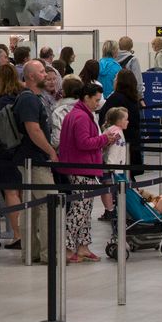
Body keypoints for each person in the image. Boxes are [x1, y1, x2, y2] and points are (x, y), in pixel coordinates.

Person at [57, 83, 118, 262]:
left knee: (85, 210)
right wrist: (104, 139)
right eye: (96, 100)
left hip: (84, 167)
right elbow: (84, 142)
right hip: (82, 168)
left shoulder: (77, 114)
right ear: (86, 98)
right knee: (78, 210)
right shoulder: (81, 117)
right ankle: (67, 249)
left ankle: (83, 246)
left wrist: (102, 141)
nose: (98, 104)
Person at [12, 59, 58, 264]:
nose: (45, 75)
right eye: (41, 71)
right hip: (34, 160)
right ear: (30, 76)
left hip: (32, 159)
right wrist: (50, 151)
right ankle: (50, 253)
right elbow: (33, 130)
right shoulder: (29, 100)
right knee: (50, 203)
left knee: (31, 207)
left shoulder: (35, 98)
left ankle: (31, 252)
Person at [0, 63, 24, 248]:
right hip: (20, 150)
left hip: (7, 150)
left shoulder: (3, 99)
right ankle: (23, 232)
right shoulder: (21, 95)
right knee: (20, 191)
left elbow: (3, 129)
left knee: (11, 191)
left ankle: (18, 234)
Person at [99, 70, 143, 173]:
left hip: (118, 144)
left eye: (116, 78)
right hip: (132, 142)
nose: (114, 80)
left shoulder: (116, 98)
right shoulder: (133, 99)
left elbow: (104, 117)